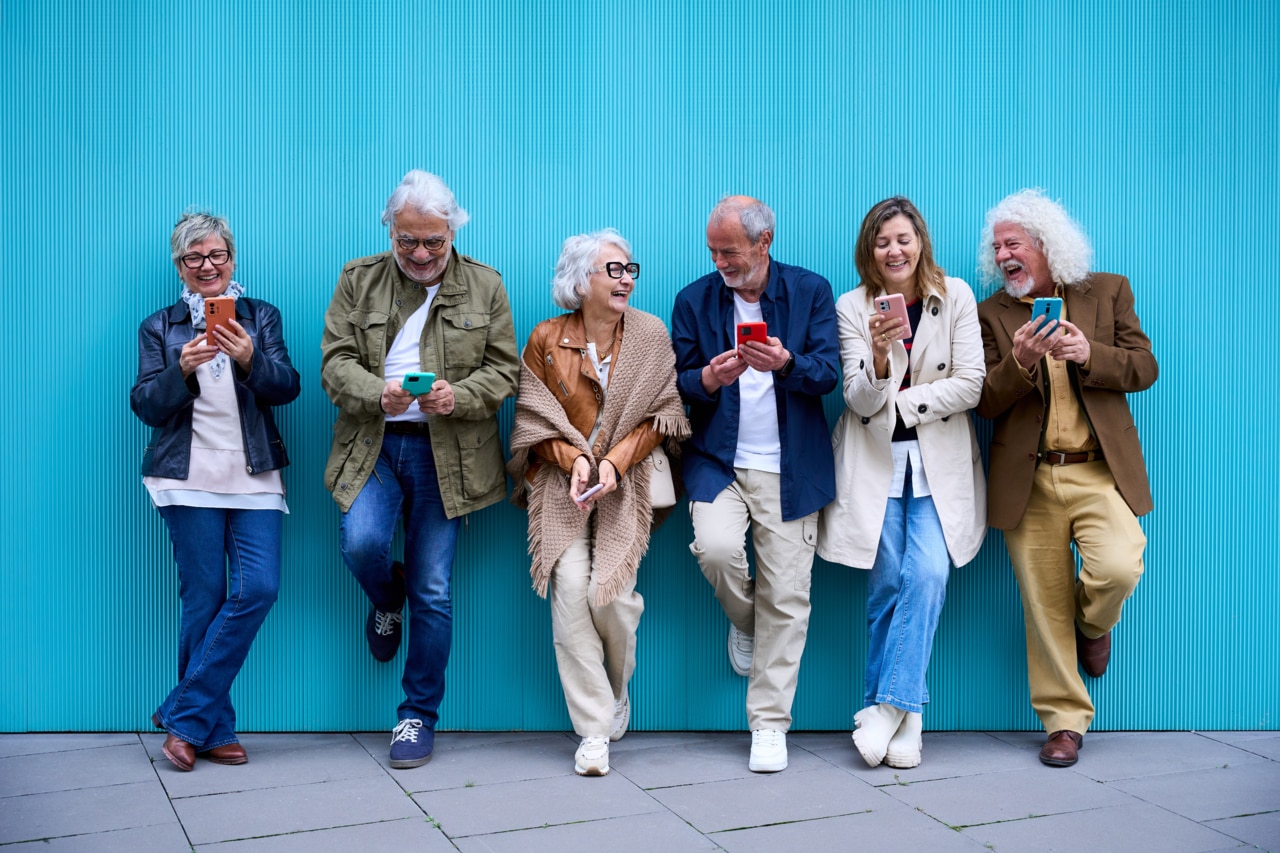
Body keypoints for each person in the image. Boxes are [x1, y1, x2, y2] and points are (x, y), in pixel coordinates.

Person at [320, 170, 519, 769]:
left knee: (434, 590)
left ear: (453, 230)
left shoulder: (485, 285)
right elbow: (335, 362)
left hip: (448, 453)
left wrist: (457, 397)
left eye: (434, 240)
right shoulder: (359, 280)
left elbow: (504, 370)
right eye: (408, 241)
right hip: (375, 441)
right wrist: (377, 394)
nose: (423, 254)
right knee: (361, 544)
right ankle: (386, 596)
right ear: (391, 231)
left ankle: (416, 717)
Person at [975, 188, 1157, 768]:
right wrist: (1021, 362)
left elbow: (1144, 367)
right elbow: (983, 400)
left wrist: (1089, 353)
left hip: (1097, 471)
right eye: (997, 246)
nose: (1004, 255)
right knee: (1042, 602)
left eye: (1014, 242)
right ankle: (1063, 723)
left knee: (1120, 566)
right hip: (1027, 481)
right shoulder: (991, 314)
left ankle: (1094, 621)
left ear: (1046, 245)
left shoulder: (1107, 292)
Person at [508, 229, 690, 776]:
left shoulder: (651, 334)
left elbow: (663, 413)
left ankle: (613, 690)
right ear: (579, 280)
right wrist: (573, 459)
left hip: (626, 483)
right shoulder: (546, 338)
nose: (626, 278)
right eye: (613, 269)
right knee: (568, 596)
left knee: (609, 597)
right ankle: (593, 729)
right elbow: (531, 419)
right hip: (561, 487)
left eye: (630, 268)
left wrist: (612, 463)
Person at [817, 197, 987, 769]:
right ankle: (906, 721)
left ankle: (886, 707)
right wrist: (881, 357)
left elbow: (971, 385)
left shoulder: (955, 295)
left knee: (929, 573)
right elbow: (859, 402)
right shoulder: (851, 306)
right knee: (888, 583)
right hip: (875, 465)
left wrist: (904, 401)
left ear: (920, 243)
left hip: (939, 463)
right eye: (882, 241)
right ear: (870, 250)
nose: (894, 250)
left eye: (903, 239)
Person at [672, 195, 839, 773]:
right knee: (716, 550)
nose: (721, 261)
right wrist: (708, 378)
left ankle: (769, 725)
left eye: (731, 251)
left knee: (788, 597)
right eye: (714, 251)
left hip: (789, 467)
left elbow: (828, 376)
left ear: (764, 243)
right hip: (718, 460)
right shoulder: (694, 299)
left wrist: (786, 364)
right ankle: (747, 622)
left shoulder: (811, 292)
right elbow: (676, 384)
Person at [131, 211, 300, 772]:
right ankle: (212, 726)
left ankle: (183, 715)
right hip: (188, 477)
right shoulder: (161, 327)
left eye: (217, 255)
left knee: (259, 588)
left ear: (233, 258)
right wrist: (180, 368)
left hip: (253, 475)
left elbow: (287, 388)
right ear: (179, 265)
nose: (208, 266)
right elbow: (145, 407)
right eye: (194, 258)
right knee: (203, 599)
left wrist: (250, 358)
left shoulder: (260, 317)